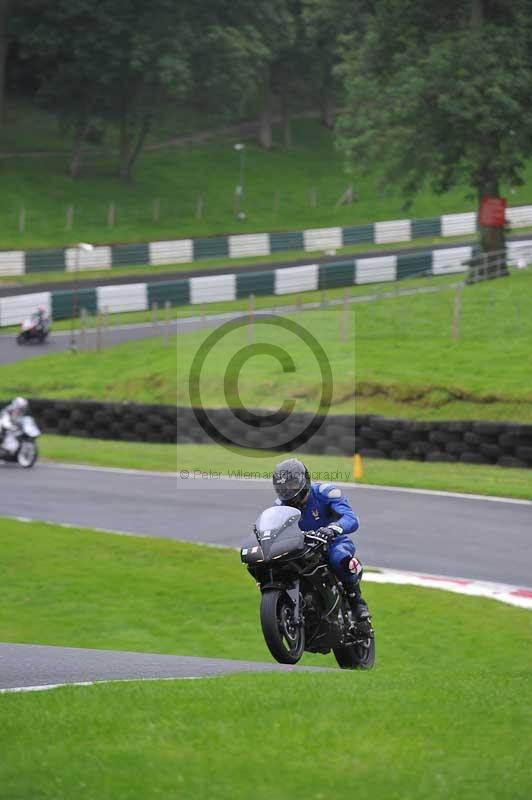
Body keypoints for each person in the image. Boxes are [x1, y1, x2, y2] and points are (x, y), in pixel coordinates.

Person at [272, 457, 372, 633]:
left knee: (339, 558)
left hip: (333, 542)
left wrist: (333, 529)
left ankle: (357, 602)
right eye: (283, 488)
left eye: (292, 486)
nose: (288, 492)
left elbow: (351, 518)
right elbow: (274, 528)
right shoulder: (279, 506)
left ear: (304, 480)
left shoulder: (326, 492)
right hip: (301, 547)